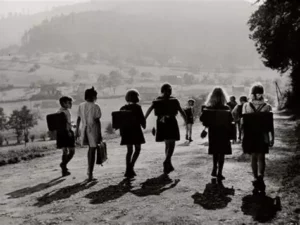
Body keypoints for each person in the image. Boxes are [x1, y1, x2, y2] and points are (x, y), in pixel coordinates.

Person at [145, 83, 187, 174]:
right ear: (163, 91)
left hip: (161, 122)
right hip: (170, 121)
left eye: (170, 89)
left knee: (168, 144)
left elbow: (149, 109)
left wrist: (144, 119)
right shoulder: (174, 100)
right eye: (168, 89)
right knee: (171, 143)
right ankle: (167, 161)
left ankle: (169, 163)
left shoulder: (157, 100)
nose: (169, 91)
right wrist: (186, 120)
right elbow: (181, 111)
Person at [242, 83, 274, 195]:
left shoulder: (246, 105)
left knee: (253, 158)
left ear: (252, 93)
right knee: (262, 157)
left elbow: (243, 123)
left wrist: (242, 137)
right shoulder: (267, 106)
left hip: (250, 135)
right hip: (262, 135)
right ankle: (261, 176)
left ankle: (255, 177)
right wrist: (272, 137)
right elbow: (270, 125)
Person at [200, 87, 233, 180]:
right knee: (222, 152)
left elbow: (202, 119)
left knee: (215, 151)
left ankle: (214, 168)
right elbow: (231, 120)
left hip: (213, 131)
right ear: (223, 97)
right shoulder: (226, 108)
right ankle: (220, 173)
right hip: (224, 132)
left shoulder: (209, 108)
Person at [76, 87, 102, 181]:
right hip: (93, 130)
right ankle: (90, 173)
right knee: (93, 149)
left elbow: (78, 119)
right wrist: (100, 134)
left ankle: (89, 171)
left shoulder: (81, 105)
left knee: (90, 149)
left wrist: (76, 132)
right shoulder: (96, 106)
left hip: (84, 129)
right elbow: (97, 122)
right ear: (94, 96)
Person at [119, 89, 146, 178]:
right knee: (137, 149)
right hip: (136, 131)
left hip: (126, 132)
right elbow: (142, 119)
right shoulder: (138, 107)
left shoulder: (123, 108)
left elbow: (120, 122)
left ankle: (128, 169)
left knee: (129, 151)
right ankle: (131, 167)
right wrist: (144, 125)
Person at [57, 96, 75, 176]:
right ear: (64, 103)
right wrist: (70, 131)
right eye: (69, 103)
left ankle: (64, 170)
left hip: (60, 134)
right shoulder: (66, 112)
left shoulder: (58, 111)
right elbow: (67, 123)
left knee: (64, 151)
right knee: (72, 151)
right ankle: (63, 164)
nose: (71, 104)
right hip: (67, 133)